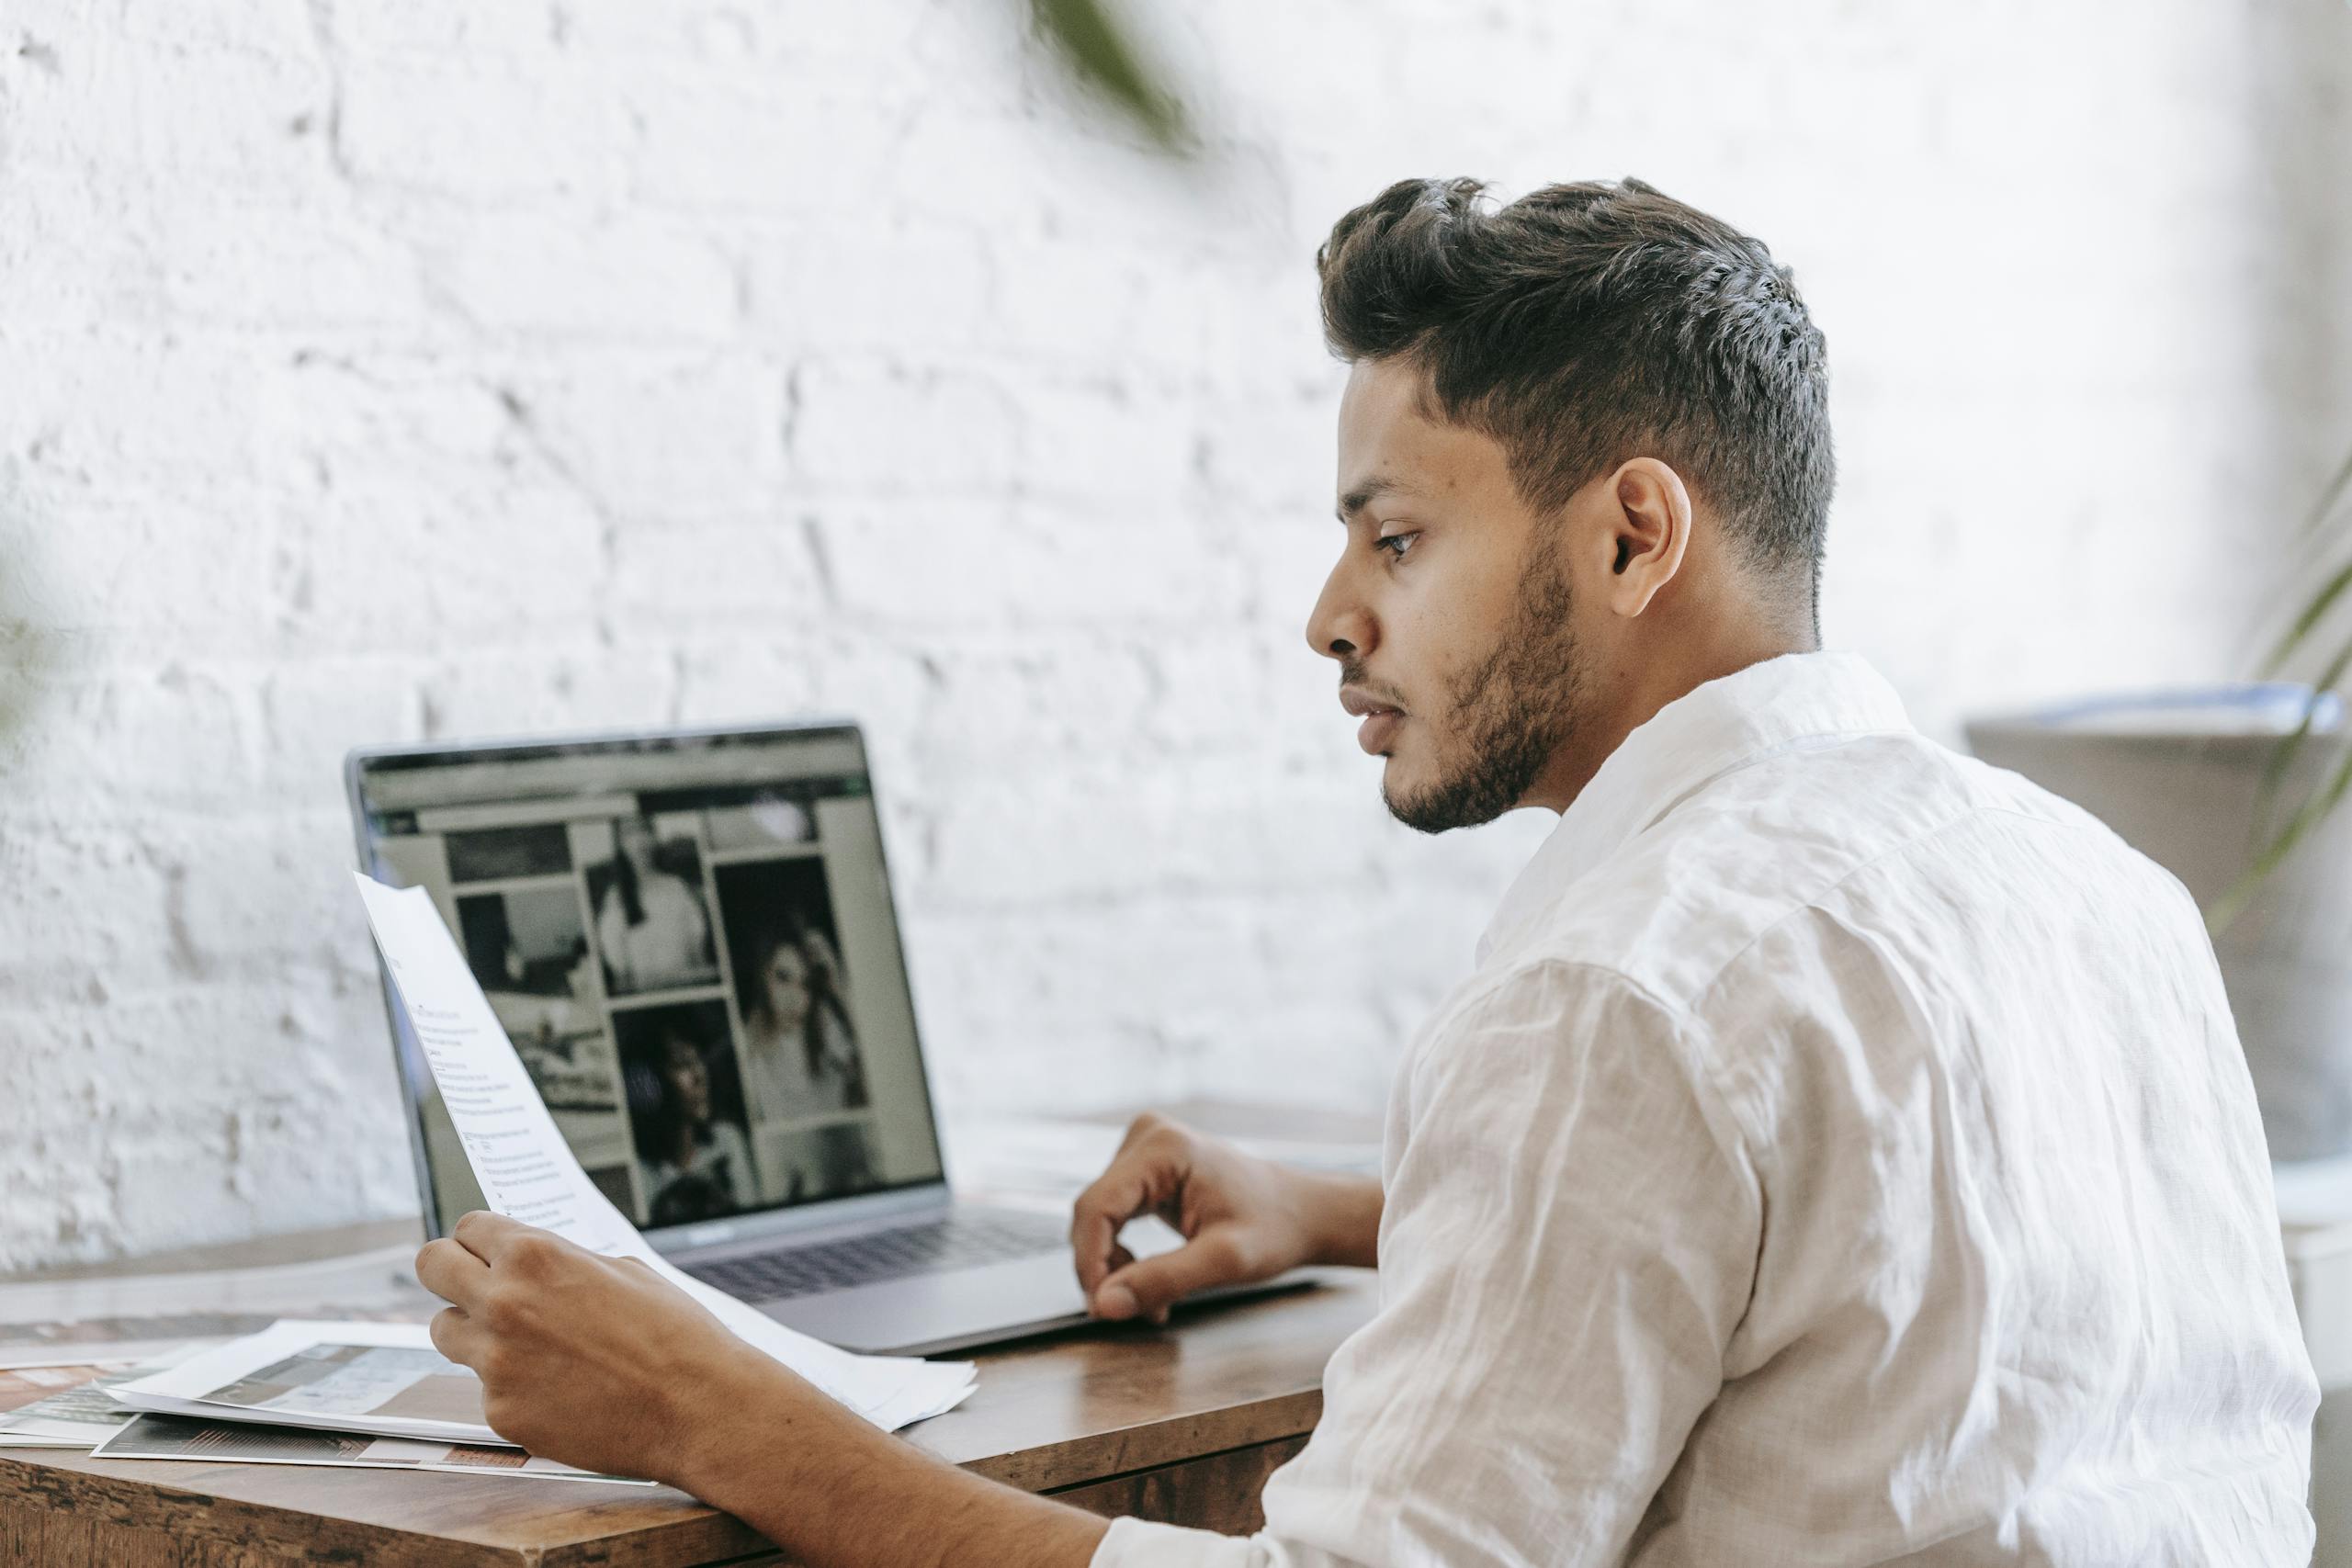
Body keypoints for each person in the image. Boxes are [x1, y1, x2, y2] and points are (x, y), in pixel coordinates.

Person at [413, 177, 2318, 1565]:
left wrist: (714, 1413)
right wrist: (1344, 1207)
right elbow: (1843, 1256)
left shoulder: (1619, 986)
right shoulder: (2092, 891)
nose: (1330, 616)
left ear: (1629, 532)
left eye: (1393, 537)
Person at [737, 923, 867, 1129]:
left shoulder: (823, 1023)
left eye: (805, 984)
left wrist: (839, 989)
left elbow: (873, 1077)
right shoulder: (745, 1046)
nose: (794, 999)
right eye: (783, 977)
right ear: (764, 975)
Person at [629, 1024, 757, 1227]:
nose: (699, 1076)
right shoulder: (640, 1172)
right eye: (682, 1064)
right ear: (650, 1082)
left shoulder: (728, 1139)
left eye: (698, 1060)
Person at [594, 815, 717, 994]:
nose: (639, 840)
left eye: (644, 830)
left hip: (688, 989)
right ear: (620, 843)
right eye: (630, 833)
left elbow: (697, 944)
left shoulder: (677, 886)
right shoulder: (616, 898)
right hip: (646, 997)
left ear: (654, 837)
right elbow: (618, 964)